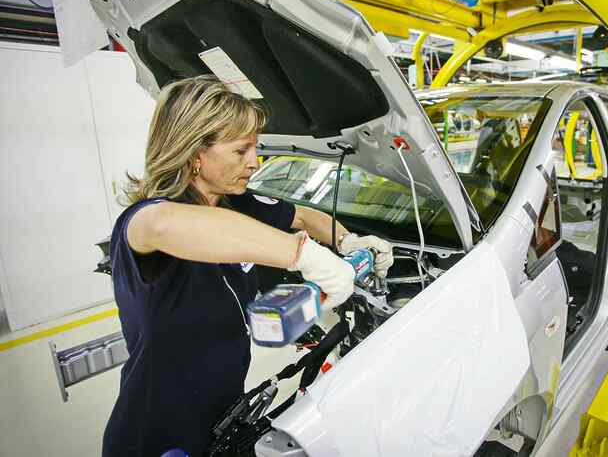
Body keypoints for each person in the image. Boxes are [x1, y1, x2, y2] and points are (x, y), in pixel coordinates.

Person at [102, 75, 393, 457]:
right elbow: (164, 223)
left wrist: (348, 241)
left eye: (255, 148)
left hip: (222, 421)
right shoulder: (142, 221)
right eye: (241, 151)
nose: (255, 162)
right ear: (194, 153)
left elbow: (304, 217)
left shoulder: (235, 203)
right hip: (156, 435)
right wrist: (301, 254)